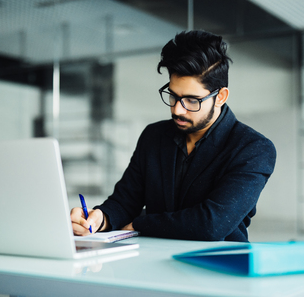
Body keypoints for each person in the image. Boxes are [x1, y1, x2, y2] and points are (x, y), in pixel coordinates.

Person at [71, 30, 276, 242]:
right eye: (173, 96)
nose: (178, 110)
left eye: (191, 100)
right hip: (154, 263)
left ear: (220, 97)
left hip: (218, 267)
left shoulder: (254, 148)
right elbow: (125, 201)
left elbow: (212, 224)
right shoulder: (154, 136)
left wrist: (141, 223)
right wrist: (100, 218)